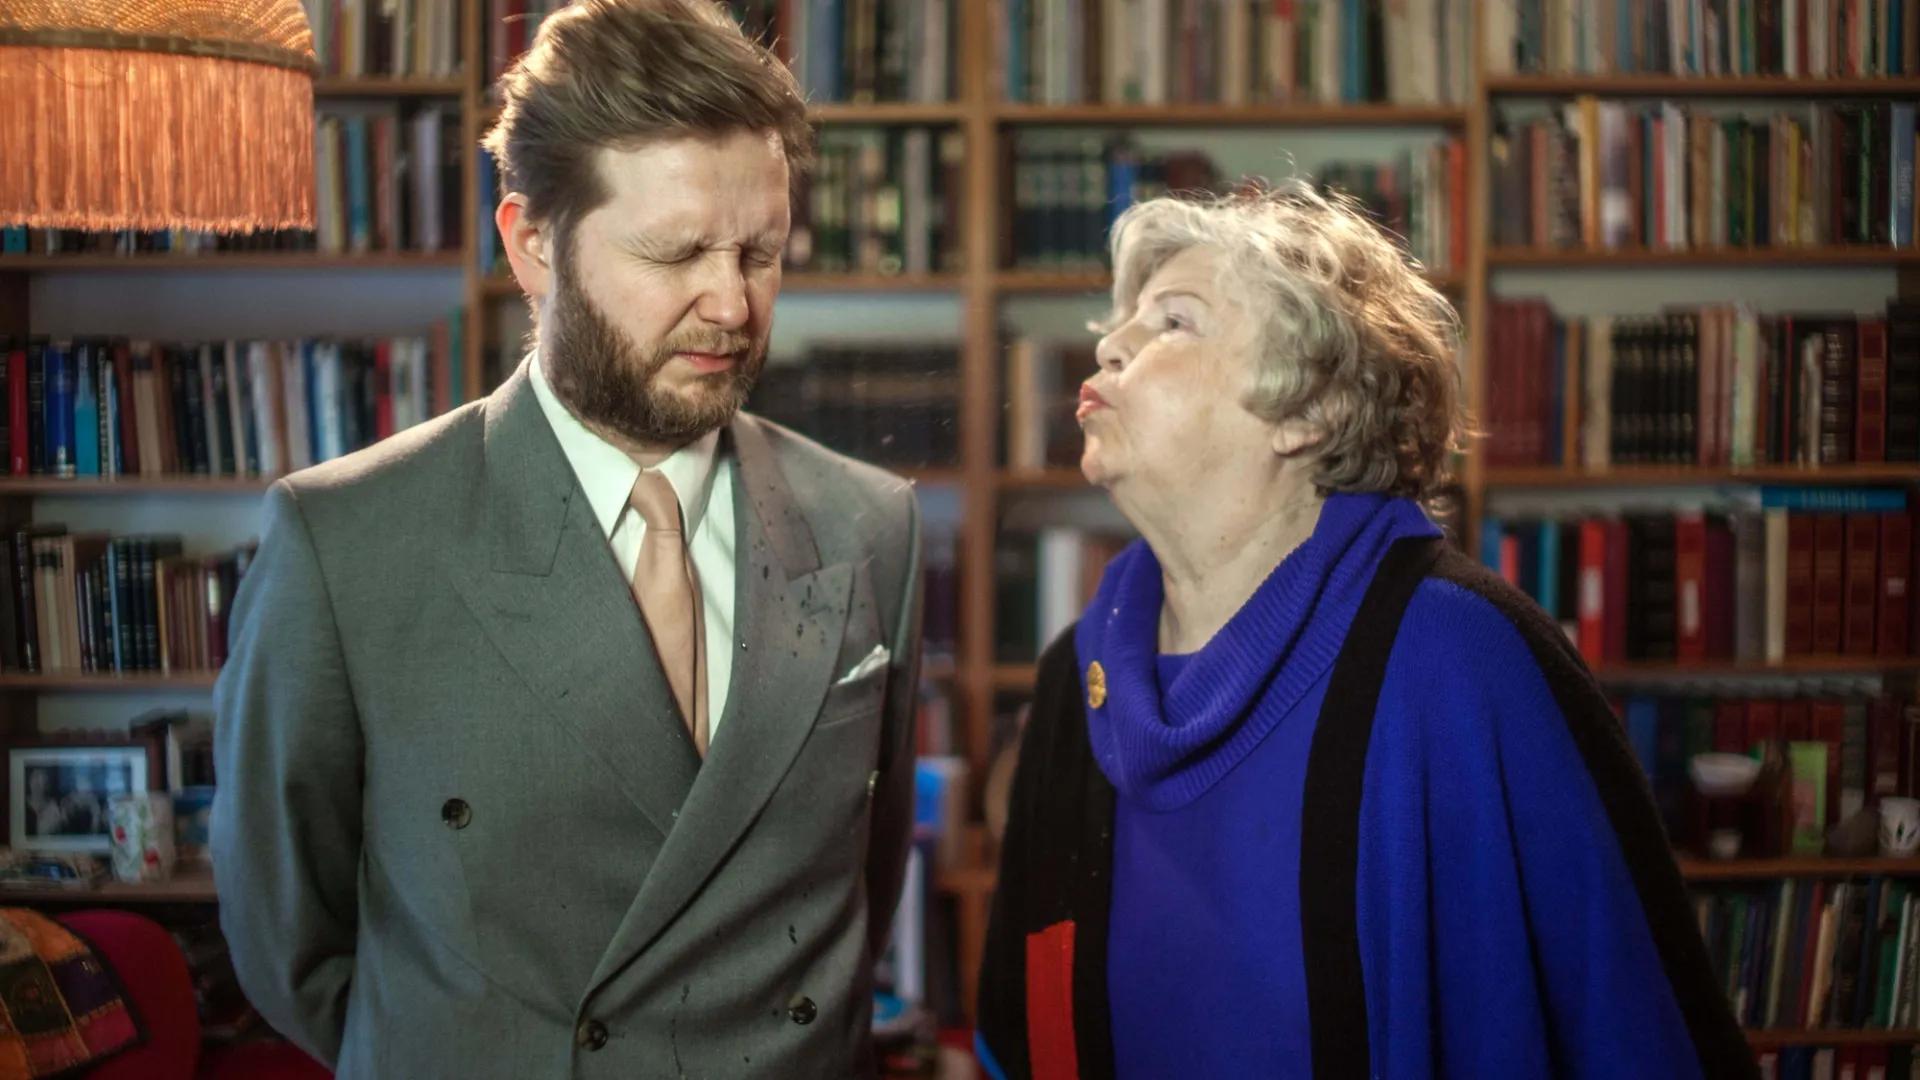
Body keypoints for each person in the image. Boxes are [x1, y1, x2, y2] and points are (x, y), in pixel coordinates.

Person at [212, 3, 924, 1076]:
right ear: (532, 244)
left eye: (761, 252)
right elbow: (290, 944)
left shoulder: (870, 524)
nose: (732, 304)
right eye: (677, 251)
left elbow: (862, 882)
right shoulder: (345, 543)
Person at [975, 184, 1753, 1079]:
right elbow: (1019, 1032)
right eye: (1124, 321)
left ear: (1309, 412)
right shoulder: (1076, 680)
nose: (1110, 344)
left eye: (1173, 322)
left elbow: (1634, 1032)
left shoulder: (1460, 656)